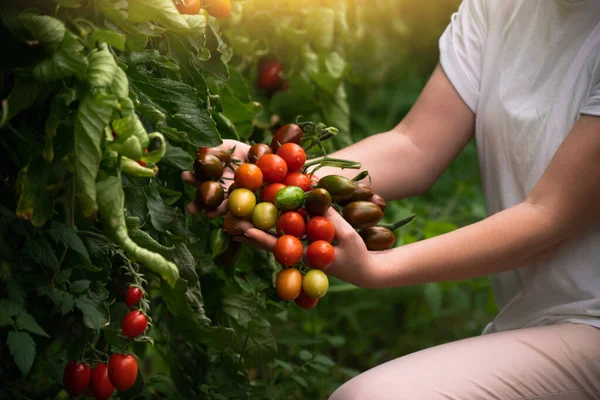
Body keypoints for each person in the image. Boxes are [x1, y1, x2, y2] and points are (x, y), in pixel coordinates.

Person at [183, 0, 600, 398]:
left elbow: (547, 218)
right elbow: (415, 144)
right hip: (540, 321)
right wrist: (279, 174)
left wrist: (378, 269)